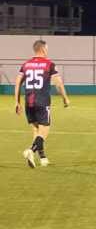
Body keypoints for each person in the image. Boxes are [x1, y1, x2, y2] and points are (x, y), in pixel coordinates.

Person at [14, 40, 69, 168]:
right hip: (42, 102)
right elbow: (58, 84)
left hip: (28, 102)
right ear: (43, 50)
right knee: (45, 130)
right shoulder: (49, 65)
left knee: (37, 129)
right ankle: (31, 150)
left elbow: (17, 83)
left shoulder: (26, 65)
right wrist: (65, 98)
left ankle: (42, 157)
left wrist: (17, 102)